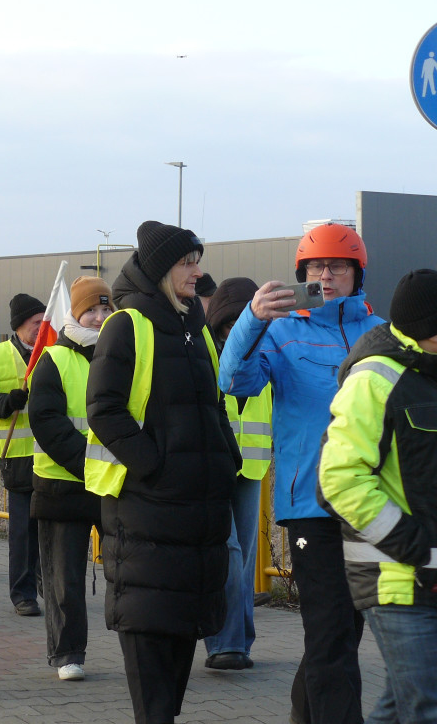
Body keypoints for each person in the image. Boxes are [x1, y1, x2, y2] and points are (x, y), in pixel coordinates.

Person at [218, 222, 383, 724]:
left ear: (357, 274)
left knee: (339, 635)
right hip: (310, 503)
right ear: (301, 274)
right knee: (331, 635)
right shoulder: (281, 330)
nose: (326, 276)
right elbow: (233, 379)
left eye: (337, 266)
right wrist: (251, 319)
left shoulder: (379, 334)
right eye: (315, 268)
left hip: (369, 502)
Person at [86, 221, 239, 724]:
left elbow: (213, 406)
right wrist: (156, 466)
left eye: (198, 260)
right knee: (150, 639)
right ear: (159, 270)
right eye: (187, 262)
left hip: (195, 515)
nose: (198, 272)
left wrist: (224, 460)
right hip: (147, 511)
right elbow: (104, 408)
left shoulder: (193, 324)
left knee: (177, 644)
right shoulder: (127, 325)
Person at [318, 268, 437, 724]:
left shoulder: (428, 371)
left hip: (425, 573)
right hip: (394, 579)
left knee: (401, 704)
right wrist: (416, 548)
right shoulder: (374, 380)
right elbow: (339, 480)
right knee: (426, 705)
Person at [28, 276, 112, 682]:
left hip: (114, 483)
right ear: (74, 315)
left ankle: (137, 642)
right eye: (90, 310)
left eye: (104, 309)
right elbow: (47, 421)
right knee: (65, 579)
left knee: (126, 569)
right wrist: (90, 462)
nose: (98, 317)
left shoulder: (123, 357)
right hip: (64, 484)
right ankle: (67, 654)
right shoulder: (53, 360)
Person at [202, 278, 273, 670]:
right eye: (228, 325)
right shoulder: (204, 355)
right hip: (212, 468)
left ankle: (239, 643)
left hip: (252, 468)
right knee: (227, 555)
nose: (234, 333)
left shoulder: (269, 354)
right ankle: (224, 644)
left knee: (244, 559)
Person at [0, 292, 45, 617]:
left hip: (52, 458)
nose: (42, 327)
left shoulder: (53, 352)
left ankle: (45, 581)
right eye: (36, 322)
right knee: (22, 531)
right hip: (17, 457)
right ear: (20, 325)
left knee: (49, 527)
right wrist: (9, 402)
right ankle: (23, 595)